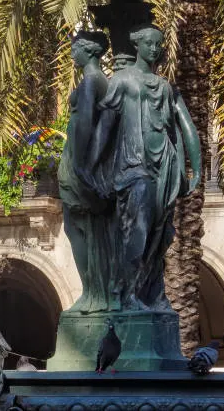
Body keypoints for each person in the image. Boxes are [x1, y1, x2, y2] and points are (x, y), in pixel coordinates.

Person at [88, 24, 201, 311]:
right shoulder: (122, 81)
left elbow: (187, 126)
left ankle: (151, 291)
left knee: (159, 234)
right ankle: (125, 294)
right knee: (136, 231)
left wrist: (196, 167)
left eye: (159, 44)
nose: (155, 48)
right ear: (137, 46)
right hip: (134, 166)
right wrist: (93, 163)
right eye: (150, 43)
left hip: (165, 164)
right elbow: (105, 126)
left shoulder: (166, 87)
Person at [58, 30, 119, 313]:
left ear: (90, 51)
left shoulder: (92, 81)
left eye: (77, 47)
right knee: (90, 230)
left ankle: (93, 293)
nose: (72, 53)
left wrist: (82, 165)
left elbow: (85, 125)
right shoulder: (100, 81)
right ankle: (96, 291)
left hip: (79, 163)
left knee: (78, 228)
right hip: (85, 162)